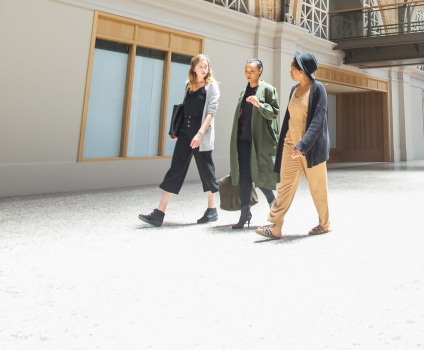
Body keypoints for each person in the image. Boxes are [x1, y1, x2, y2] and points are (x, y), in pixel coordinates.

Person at [139, 54, 220, 227]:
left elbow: (211, 112)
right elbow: (184, 108)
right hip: (185, 132)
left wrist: (199, 134)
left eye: (206, 66)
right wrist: (175, 129)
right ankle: (159, 212)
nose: (204, 69)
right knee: (176, 168)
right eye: (200, 66)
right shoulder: (188, 85)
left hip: (201, 133)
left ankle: (212, 209)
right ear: (194, 68)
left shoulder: (211, 86)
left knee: (206, 169)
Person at [255, 53, 330, 239]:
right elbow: (288, 120)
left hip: (310, 149)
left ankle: (324, 224)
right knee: (285, 187)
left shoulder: (318, 89)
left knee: (318, 188)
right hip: (290, 146)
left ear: (302, 71)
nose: (290, 71)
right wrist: (285, 143)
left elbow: (317, 121)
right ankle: (276, 225)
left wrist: (303, 145)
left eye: (292, 68)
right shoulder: (293, 90)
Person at [228, 59, 280, 229]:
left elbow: (274, 113)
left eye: (252, 70)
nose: (248, 74)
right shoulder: (244, 92)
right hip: (243, 139)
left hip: (259, 140)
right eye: (246, 71)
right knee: (245, 176)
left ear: (260, 71)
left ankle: (275, 208)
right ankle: (245, 214)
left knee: (260, 176)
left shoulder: (268, 89)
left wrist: (259, 105)